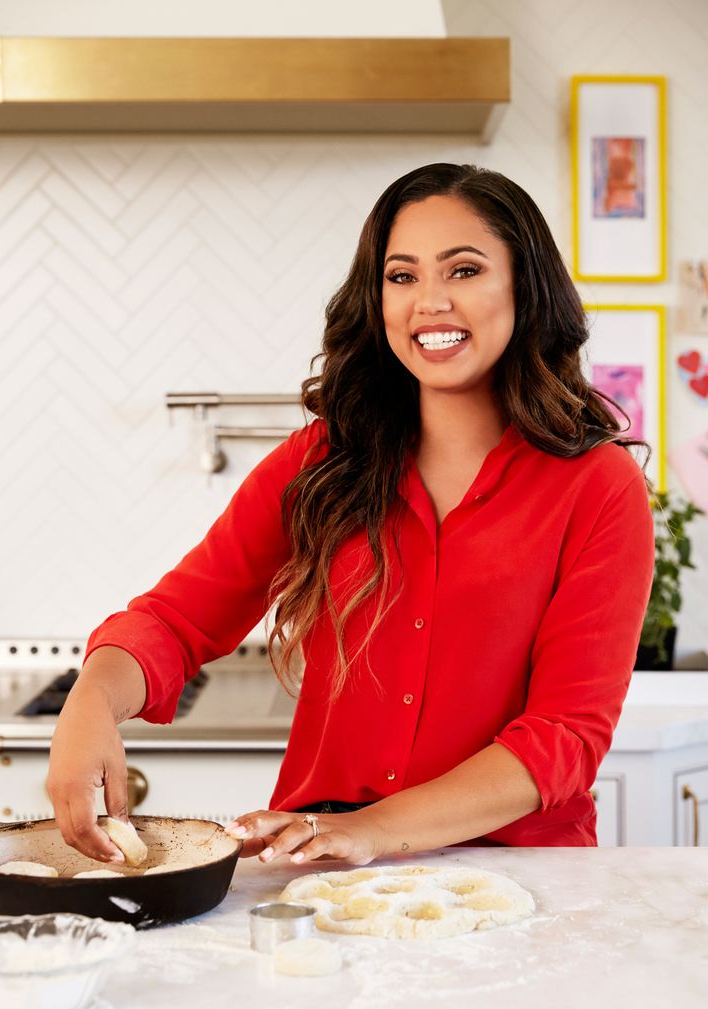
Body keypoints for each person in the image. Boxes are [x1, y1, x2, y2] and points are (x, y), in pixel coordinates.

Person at [47, 163, 654, 867]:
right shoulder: (323, 462)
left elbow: (563, 735)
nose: (430, 301)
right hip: (325, 870)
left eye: (463, 270)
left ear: (524, 286)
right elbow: (176, 622)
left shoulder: (597, 487)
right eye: (402, 276)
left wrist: (373, 828)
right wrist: (91, 700)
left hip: (519, 873)